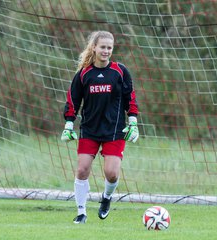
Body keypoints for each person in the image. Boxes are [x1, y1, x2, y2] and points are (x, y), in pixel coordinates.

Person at [61, 31, 139, 224]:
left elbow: (131, 98)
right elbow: (73, 100)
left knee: (111, 174)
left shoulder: (120, 71)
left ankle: (106, 198)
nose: (106, 51)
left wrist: (134, 123)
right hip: (89, 129)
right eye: (102, 47)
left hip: (115, 130)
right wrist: (69, 124)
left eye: (109, 48)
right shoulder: (84, 74)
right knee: (82, 170)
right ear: (94, 48)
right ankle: (81, 212)